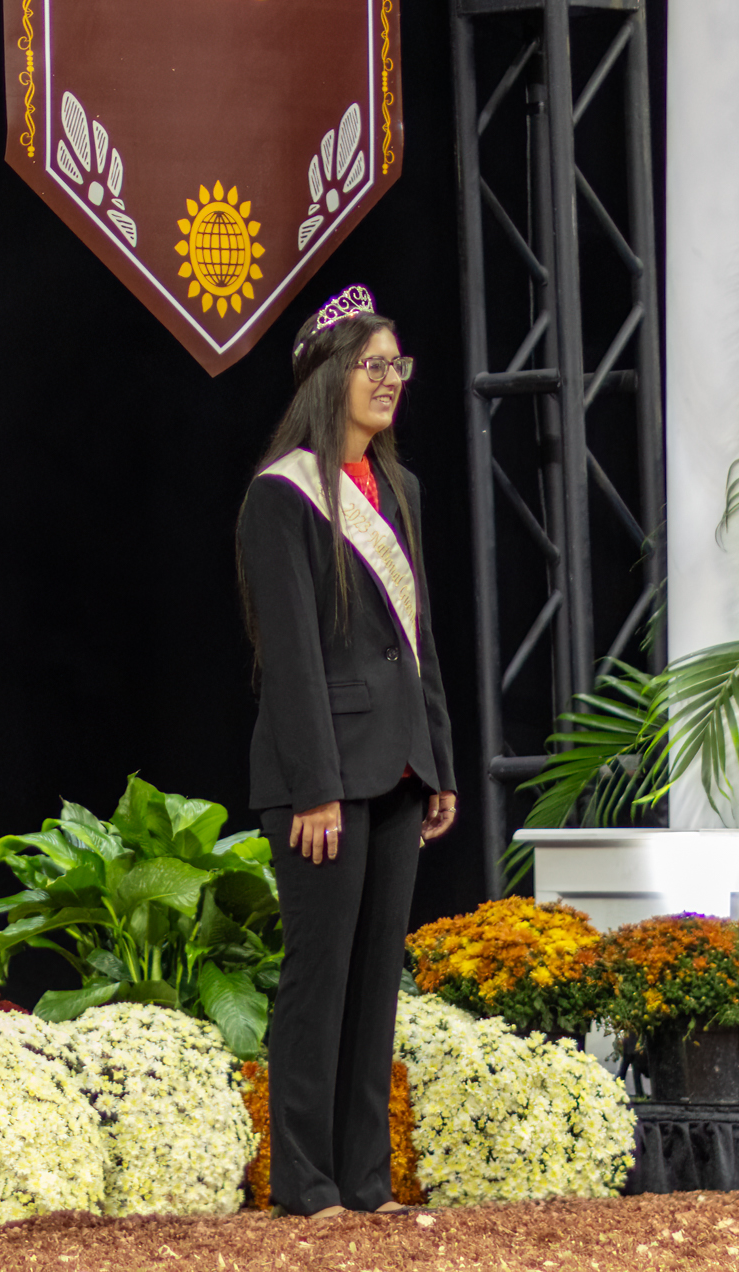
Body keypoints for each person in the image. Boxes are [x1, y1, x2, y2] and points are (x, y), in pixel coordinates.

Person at [238, 284, 459, 1218]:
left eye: (397, 366)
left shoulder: (402, 490)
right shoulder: (281, 495)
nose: (390, 380)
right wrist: (316, 789)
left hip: (400, 764)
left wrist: (439, 760)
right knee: (319, 980)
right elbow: (289, 658)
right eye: (373, 365)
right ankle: (306, 1182)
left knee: (376, 987)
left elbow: (420, 640)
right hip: (323, 777)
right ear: (329, 376)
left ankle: (367, 1182)